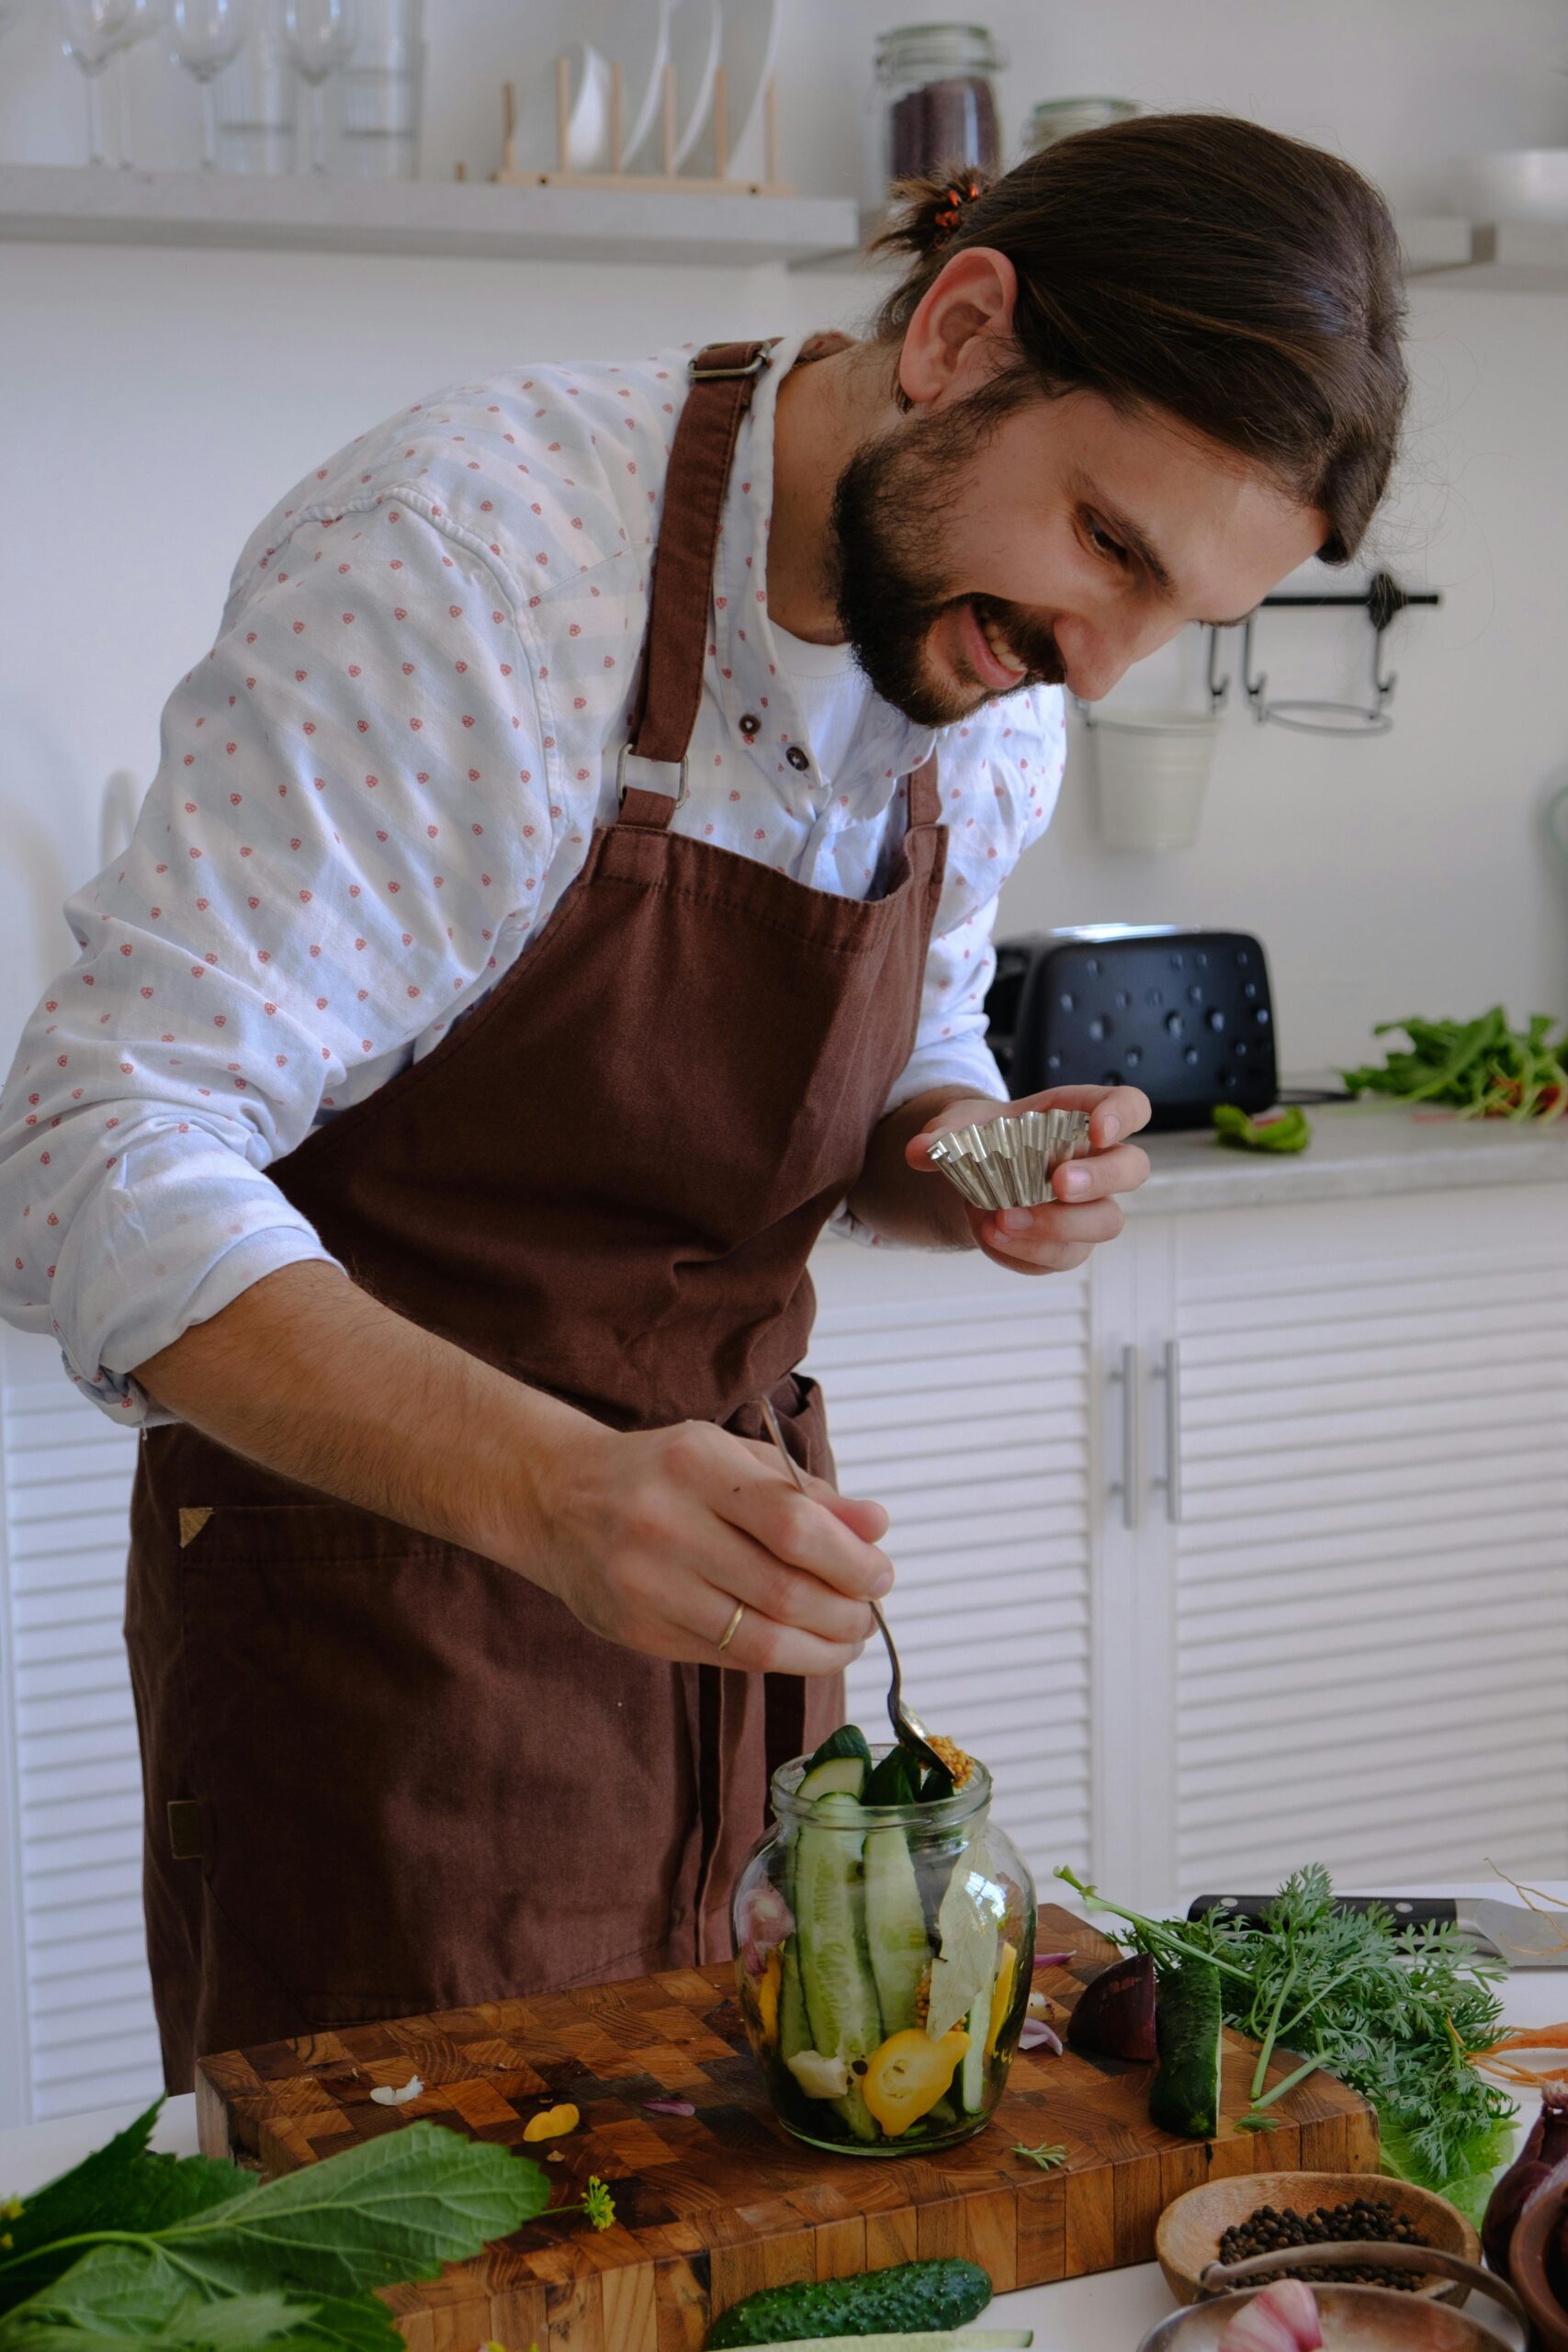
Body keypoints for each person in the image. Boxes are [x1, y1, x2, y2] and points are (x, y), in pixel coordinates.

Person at [0, 113, 1407, 2088]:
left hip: (737, 1644)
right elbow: (79, 1150)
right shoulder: (469, 573)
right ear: (956, 333)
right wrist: (561, 1489)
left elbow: (905, 1039)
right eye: (1105, 541)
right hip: (378, 1645)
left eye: (1177, 613)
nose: (1089, 669)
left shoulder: (983, 686)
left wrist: (967, 1151)